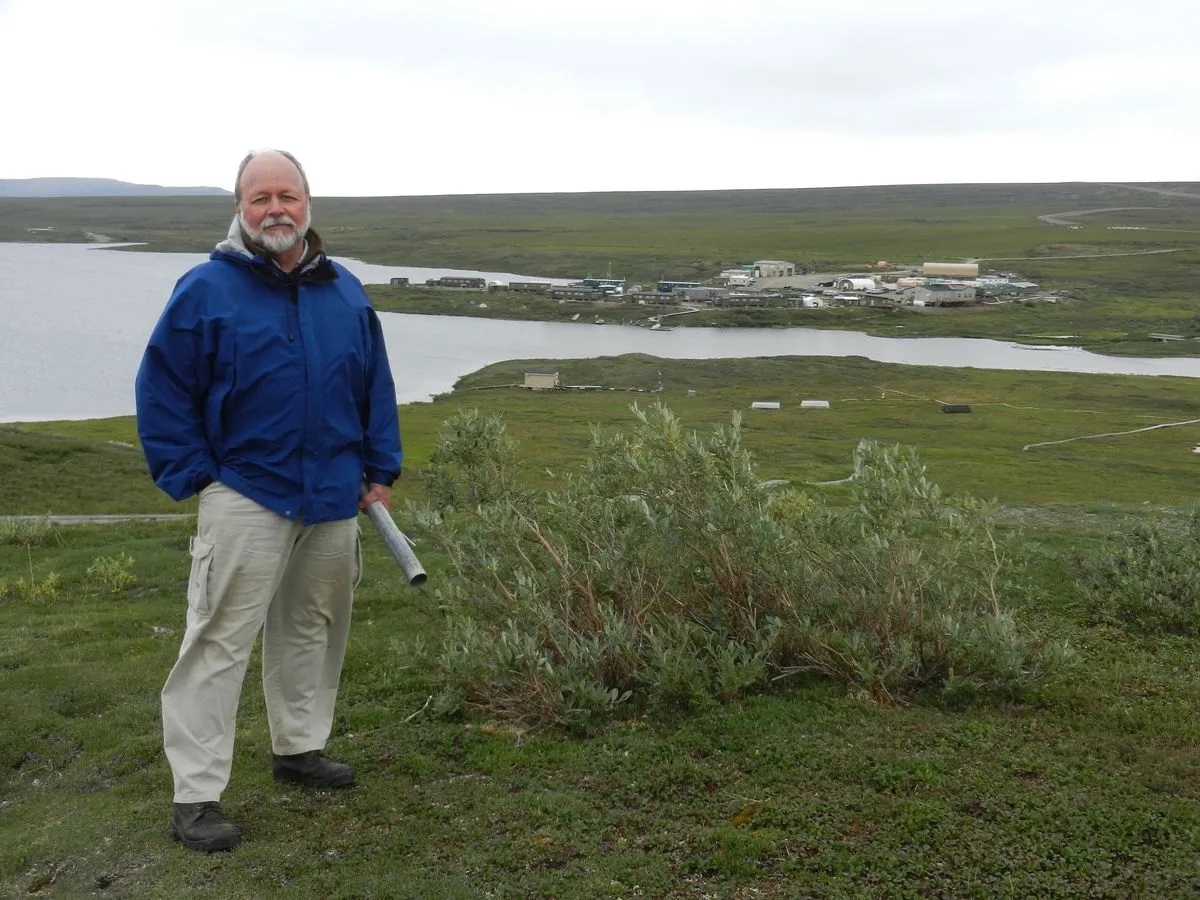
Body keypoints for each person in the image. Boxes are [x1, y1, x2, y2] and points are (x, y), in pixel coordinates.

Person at [134, 148, 402, 852]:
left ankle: (299, 749)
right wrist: (193, 474)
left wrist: (381, 466)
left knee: (312, 625)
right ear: (240, 208)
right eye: (260, 198)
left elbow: (373, 383)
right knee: (216, 642)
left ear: (309, 205)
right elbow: (163, 387)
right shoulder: (204, 290)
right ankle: (196, 797)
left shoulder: (343, 290)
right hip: (246, 492)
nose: (274, 209)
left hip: (334, 494)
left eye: (287, 195)